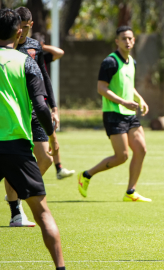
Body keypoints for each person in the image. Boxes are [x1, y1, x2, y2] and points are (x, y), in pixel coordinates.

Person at [0, 8, 65, 269]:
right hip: (17, 145)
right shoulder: (25, 61)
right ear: (19, 32)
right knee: (43, 214)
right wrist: (51, 137)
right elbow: (40, 106)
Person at [77, 26, 151, 202]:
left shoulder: (132, 62)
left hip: (129, 114)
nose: (127, 41)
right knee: (122, 156)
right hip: (113, 113)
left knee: (141, 149)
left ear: (134, 41)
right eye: (123, 38)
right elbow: (101, 88)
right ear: (117, 41)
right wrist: (124, 102)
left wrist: (140, 99)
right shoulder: (110, 62)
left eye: (130, 38)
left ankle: (130, 192)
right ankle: (86, 175)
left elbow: (128, 85)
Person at [31, 32, 74, 180]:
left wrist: (42, 47)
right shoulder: (22, 57)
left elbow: (60, 52)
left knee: (52, 135)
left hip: (42, 102)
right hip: (29, 104)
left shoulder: (42, 57)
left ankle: (59, 168)